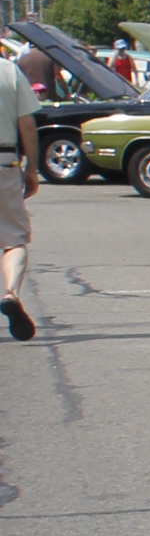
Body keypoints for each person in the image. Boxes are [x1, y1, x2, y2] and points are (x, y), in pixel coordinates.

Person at [0, 44, 40, 339]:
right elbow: (27, 123)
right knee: (13, 239)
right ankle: (11, 292)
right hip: (4, 161)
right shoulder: (9, 71)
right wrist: (32, 168)